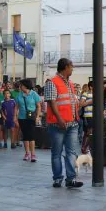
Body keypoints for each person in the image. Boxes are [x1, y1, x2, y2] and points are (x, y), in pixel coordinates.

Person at [45, 58, 83, 188]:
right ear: (66, 67)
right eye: (71, 67)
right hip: (57, 124)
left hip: (72, 124)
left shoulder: (70, 84)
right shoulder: (52, 82)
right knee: (56, 152)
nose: (72, 69)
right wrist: (60, 119)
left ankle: (70, 179)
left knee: (71, 152)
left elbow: (72, 103)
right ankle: (57, 178)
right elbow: (51, 101)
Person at [15, 79, 42, 162]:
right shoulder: (19, 95)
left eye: (21, 85)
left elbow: (38, 106)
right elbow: (16, 107)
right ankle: (27, 153)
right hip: (22, 118)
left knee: (31, 136)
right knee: (25, 136)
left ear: (26, 85)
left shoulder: (34, 94)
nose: (20, 86)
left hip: (31, 118)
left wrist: (37, 116)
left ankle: (33, 154)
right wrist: (15, 117)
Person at [79, 81, 94, 154]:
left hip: (95, 116)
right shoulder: (86, 94)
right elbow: (81, 104)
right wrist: (89, 102)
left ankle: (85, 147)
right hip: (88, 116)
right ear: (91, 87)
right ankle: (84, 147)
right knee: (88, 132)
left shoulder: (97, 94)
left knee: (91, 132)